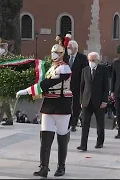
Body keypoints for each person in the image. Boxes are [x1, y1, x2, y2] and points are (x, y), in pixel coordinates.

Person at [16, 44, 72, 178]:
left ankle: (61, 166)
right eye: (52, 52)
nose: (54, 55)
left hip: (61, 103)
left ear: (62, 54)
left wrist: (28, 91)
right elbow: (46, 85)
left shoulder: (64, 67)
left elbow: (48, 83)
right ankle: (44, 167)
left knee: (62, 136)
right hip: (48, 104)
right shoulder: (52, 67)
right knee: (45, 137)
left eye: (57, 52)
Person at [77, 52, 109, 151]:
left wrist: (104, 100)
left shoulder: (103, 70)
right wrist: (81, 100)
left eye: (93, 60)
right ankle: (83, 145)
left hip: (99, 101)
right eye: (90, 60)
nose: (91, 62)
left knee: (100, 123)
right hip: (87, 101)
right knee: (85, 124)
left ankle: (100, 142)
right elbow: (82, 86)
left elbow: (106, 87)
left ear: (97, 60)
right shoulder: (85, 70)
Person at [66, 40, 88, 132]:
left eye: (69, 48)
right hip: (66, 86)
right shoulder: (65, 57)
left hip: (78, 86)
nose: (68, 49)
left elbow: (85, 72)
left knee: (76, 106)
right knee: (67, 105)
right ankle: (67, 123)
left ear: (75, 48)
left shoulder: (82, 58)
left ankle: (74, 124)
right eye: (67, 48)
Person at [0, 38, 14, 127]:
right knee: (5, 101)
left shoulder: (11, 56)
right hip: (0, 81)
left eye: (2, 46)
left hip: (8, 81)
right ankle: (9, 119)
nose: (0, 48)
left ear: (6, 47)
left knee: (4, 101)